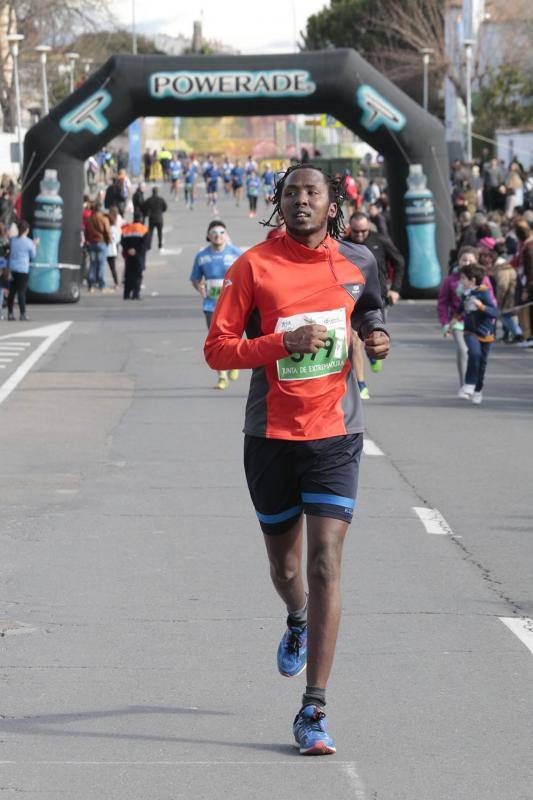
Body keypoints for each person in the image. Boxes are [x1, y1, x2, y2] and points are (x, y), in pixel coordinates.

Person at [204, 164, 389, 755]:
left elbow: (369, 310)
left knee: (326, 562)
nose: (300, 201)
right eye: (290, 193)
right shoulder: (252, 266)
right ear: (279, 203)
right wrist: (283, 342)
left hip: (336, 434)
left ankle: (314, 708)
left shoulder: (358, 260)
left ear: (332, 204)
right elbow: (217, 351)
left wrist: (377, 335)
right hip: (270, 437)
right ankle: (296, 619)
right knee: (289, 573)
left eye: (312, 192)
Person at [345, 211, 403, 378]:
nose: (360, 235)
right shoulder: (344, 244)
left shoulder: (381, 240)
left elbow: (399, 262)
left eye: (364, 231)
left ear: (369, 226)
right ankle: (361, 384)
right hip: (352, 298)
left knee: (372, 333)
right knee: (355, 340)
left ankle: (372, 354)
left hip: (377, 297)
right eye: (356, 231)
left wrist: (396, 289)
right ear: (350, 229)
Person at [190, 220, 242, 389]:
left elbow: (247, 275)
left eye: (221, 232)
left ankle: (233, 362)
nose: (217, 235)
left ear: (226, 235)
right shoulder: (202, 256)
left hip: (232, 304)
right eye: (214, 232)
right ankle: (222, 376)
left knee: (232, 336)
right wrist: (201, 289)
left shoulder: (236, 254)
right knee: (216, 340)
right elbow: (195, 278)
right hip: (211, 305)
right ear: (208, 236)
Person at [455, 263, 498, 404]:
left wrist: (481, 306)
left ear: (472, 280)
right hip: (469, 331)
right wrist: (449, 325)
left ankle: (478, 389)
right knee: (474, 353)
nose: (461, 281)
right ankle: (468, 384)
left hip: (486, 333)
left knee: (482, 364)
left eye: (463, 278)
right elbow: (460, 310)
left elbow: (495, 312)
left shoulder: (484, 293)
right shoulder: (465, 294)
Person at [437, 246, 479, 390]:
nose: (467, 263)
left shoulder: (481, 279)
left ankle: (473, 381)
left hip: (476, 323)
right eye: (464, 260)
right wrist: (444, 323)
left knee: (474, 353)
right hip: (457, 322)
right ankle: (464, 384)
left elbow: (490, 298)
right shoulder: (450, 281)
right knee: (463, 349)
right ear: (459, 261)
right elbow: (442, 303)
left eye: (470, 260)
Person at [6, 220, 38, 321]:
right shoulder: (28, 242)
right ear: (27, 230)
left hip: (12, 268)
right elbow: (33, 256)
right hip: (23, 269)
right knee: (21, 292)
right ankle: (22, 314)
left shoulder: (13, 240)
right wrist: (35, 245)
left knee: (12, 292)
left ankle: (10, 314)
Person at [121, 211, 148, 300]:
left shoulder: (127, 228)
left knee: (128, 275)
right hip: (138, 256)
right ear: (141, 219)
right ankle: (135, 294)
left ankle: (126, 294)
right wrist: (136, 250)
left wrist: (128, 249)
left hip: (129, 256)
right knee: (137, 275)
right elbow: (145, 244)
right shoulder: (144, 229)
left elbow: (122, 241)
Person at [85, 202, 111, 292]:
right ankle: (101, 285)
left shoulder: (89, 219)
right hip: (101, 242)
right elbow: (107, 231)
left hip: (92, 243)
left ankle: (91, 285)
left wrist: (88, 240)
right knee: (101, 264)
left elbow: (86, 232)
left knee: (92, 264)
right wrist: (108, 242)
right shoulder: (104, 219)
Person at [106, 206, 123, 290]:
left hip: (106, 245)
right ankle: (116, 283)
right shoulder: (119, 218)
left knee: (98, 265)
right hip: (114, 243)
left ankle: (97, 282)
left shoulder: (107, 220)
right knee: (113, 267)